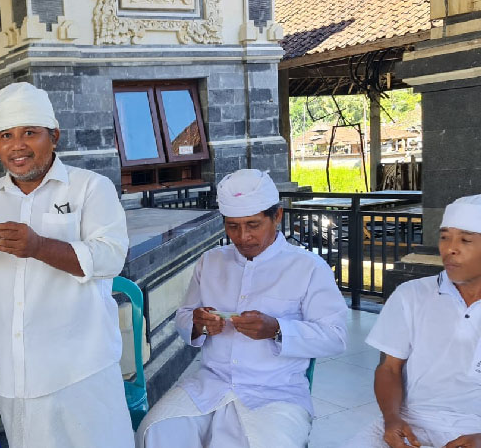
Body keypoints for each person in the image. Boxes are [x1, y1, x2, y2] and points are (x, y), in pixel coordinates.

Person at [0, 82, 134, 447]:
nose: (17, 145)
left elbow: (110, 257)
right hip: (17, 374)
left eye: (30, 133)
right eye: (6, 136)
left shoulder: (88, 189)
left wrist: (40, 246)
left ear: (54, 136)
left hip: (82, 369)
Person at [136, 169, 349, 448]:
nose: (243, 236)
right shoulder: (211, 262)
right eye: (233, 226)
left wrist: (278, 330)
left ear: (277, 216)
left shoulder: (308, 267)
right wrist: (198, 324)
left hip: (275, 392)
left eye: (253, 224)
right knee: (154, 431)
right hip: (210, 383)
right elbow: (185, 317)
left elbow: (335, 337)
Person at [344, 194, 481, 448]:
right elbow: (389, 369)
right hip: (412, 421)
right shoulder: (412, 295)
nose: (450, 248)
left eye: (465, 240)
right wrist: (391, 418)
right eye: (444, 237)